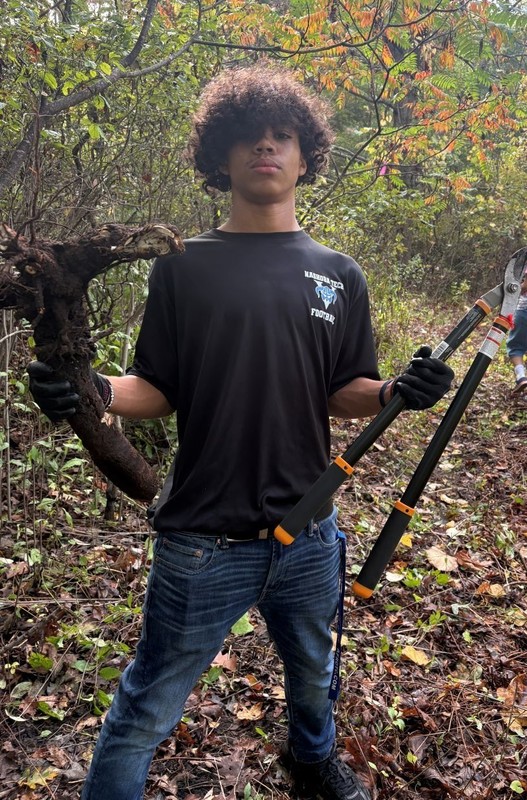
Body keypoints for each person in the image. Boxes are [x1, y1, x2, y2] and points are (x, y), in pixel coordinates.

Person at [28, 64, 454, 800]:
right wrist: (89, 391)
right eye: (249, 138)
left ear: (305, 155)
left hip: (310, 530)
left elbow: (342, 391)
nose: (266, 149)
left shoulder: (337, 274)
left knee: (315, 673)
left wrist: (392, 391)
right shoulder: (181, 269)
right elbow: (156, 389)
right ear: (219, 158)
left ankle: (312, 758)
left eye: (282, 137)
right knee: (143, 709)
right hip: (201, 542)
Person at [507, 270, 527, 395]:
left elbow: (525, 286)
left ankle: (521, 377)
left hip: (524, 311)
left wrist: (520, 286)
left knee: (516, 347)